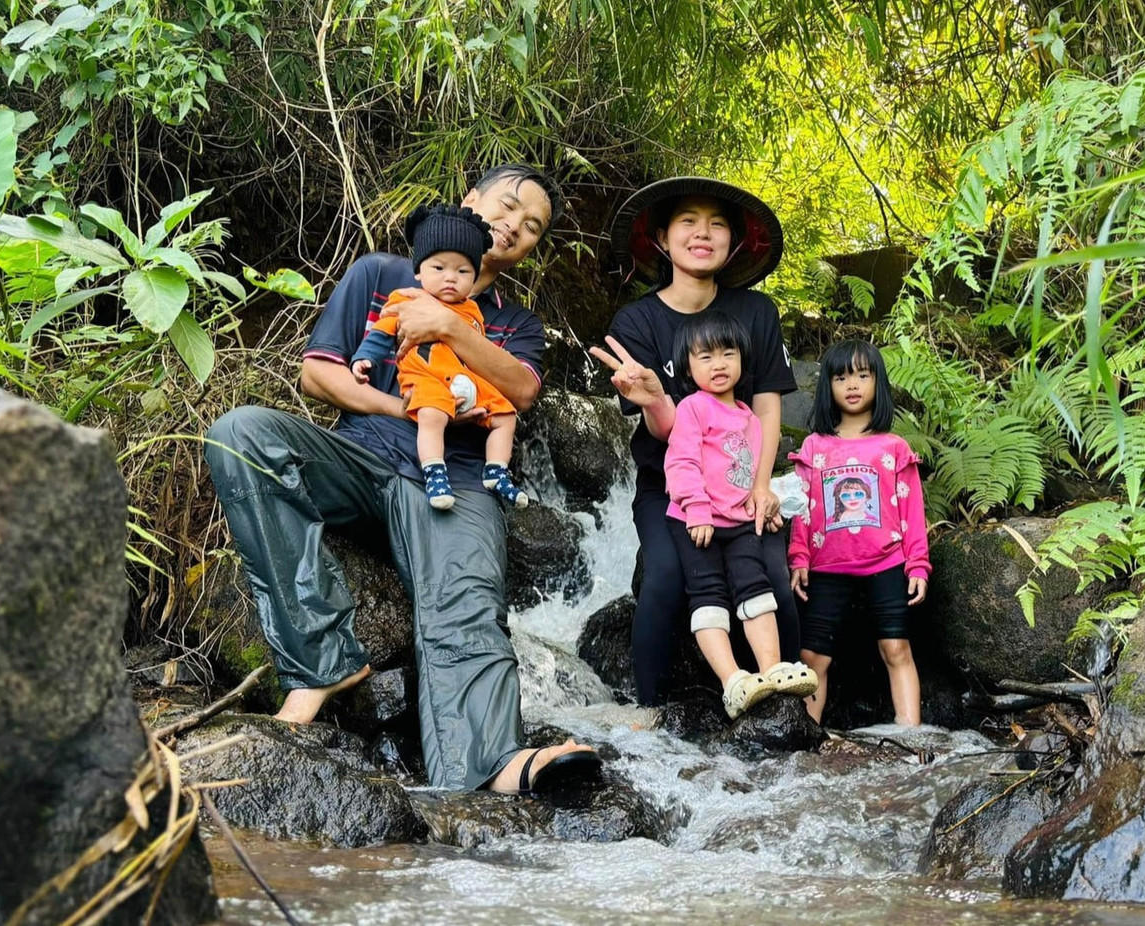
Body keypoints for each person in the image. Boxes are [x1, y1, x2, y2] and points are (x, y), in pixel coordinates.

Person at [204, 165, 599, 794]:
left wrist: (448, 327)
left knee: (466, 602)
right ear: (472, 201)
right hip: (357, 460)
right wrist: (410, 410)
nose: (515, 227)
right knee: (242, 434)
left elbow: (521, 390)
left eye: (532, 228)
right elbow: (317, 376)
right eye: (508, 206)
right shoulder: (380, 276)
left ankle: (486, 765)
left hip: (457, 484)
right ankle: (321, 665)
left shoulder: (515, 323)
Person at [589, 176, 803, 708]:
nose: (702, 233)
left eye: (716, 224)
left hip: (740, 486)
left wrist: (761, 487)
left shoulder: (755, 314)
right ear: (662, 237)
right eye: (688, 221)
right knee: (663, 575)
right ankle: (648, 713)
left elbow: (767, 405)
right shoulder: (637, 321)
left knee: (775, 575)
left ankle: (794, 707)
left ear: (734, 242)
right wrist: (655, 396)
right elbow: (667, 431)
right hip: (671, 491)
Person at [663, 310, 819, 718]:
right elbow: (680, 463)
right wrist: (696, 509)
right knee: (709, 594)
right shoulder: (692, 409)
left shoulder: (750, 417)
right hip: (695, 522)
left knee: (757, 587)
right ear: (687, 366)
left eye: (727, 354)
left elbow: (751, 475)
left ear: (743, 360)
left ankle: (772, 669)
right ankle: (733, 680)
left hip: (739, 521)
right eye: (706, 357)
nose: (718, 365)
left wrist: (764, 508)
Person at [787, 339, 931, 726]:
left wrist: (918, 564)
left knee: (896, 647)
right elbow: (802, 508)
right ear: (828, 387)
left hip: (887, 562)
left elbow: (912, 510)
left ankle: (911, 737)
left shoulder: (894, 447)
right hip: (826, 565)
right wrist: (798, 557)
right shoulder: (815, 447)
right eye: (841, 377)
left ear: (877, 383)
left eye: (862, 375)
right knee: (813, 657)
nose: (852, 385)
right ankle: (807, 738)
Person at [351, 203, 528, 510]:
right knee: (432, 413)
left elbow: (475, 351)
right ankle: (434, 470)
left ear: (473, 278)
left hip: (463, 381)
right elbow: (381, 333)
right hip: (425, 377)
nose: (450, 278)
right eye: (438, 268)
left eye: (462, 271)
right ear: (418, 271)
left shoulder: (471, 311)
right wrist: (365, 358)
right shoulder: (405, 299)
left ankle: (496, 470)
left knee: (505, 413)